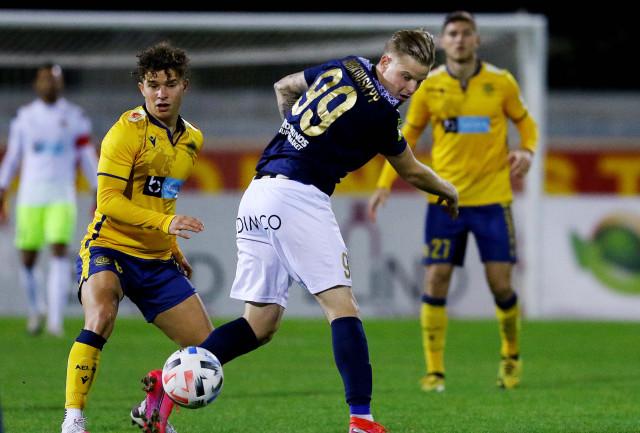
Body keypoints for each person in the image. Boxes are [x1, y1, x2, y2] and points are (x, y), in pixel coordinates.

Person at [177, 28, 458, 433]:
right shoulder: (382, 115)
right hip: (299, 197)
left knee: (259, 324)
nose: (411, 88)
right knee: (342, 308)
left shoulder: (349, 65)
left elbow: (284, 86)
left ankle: (163, 389)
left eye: (419, 80)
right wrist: (449, 190)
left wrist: (299, 138)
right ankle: (361, 419)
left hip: (258, 193)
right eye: (406, 76)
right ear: (385, 62)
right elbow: (411, 170)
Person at [368, 11, 538, 393]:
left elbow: (526, 123)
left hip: (493, 200)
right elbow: (405, 136)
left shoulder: (501, 82)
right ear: (444, 42)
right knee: (436, 279)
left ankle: (511, 356)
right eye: (453, 34)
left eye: (466, 33)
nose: (459, 39)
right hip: (445, 201)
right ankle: (434, 372)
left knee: (501, 286)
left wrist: (527, 150)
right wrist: (384, 183)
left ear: (476, 40)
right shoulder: (430, 86)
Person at [60, 42, 211, 433]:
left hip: (156, 259)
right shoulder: (126, 132)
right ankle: (74, 418)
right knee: (101, 316)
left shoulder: (192, 139)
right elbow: (108, 201)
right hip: (109, 246)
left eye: (170, 84)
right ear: (141, 87)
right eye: (153, 85)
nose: (161, 93)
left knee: (206, 348)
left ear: (184, 86)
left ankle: (152, 405)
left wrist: (171, 245)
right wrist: (165, 225)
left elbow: (164, 194)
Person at [0, 63, 98, 337]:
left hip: (61, 195)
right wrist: (2, 187)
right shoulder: (25, 118)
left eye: (54, 79)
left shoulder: (75, 117)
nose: (49, 84)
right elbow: (14, 157)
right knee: (28, 258)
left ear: (61, 83)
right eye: (45, 79)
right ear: (36, 84)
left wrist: (97, 187)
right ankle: (36, 311)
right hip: (30, 196)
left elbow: (86, 157)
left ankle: (55, 321)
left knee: (58, 251)